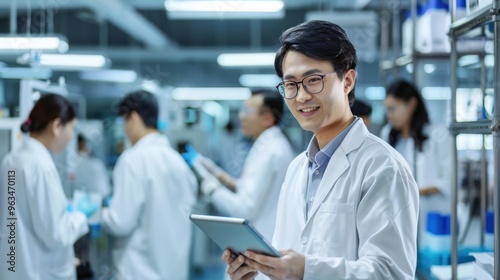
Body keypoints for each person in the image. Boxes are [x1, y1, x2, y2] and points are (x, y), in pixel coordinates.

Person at [222, 20, 419, 279]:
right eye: (290, 84)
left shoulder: (383, 167)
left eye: (313, 80)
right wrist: (255, 274)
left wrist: (308, 270)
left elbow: (392, 273)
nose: (301, 96)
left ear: (347, 81)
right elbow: (285, 262)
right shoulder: (297, 169)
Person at [101, 90, 196, 280]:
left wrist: (99, 213)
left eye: (123, 122)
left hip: (138, 273)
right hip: (174, 273)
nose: (124, 130)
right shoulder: (178, 161)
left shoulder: (132, 159)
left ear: (134, 118)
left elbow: (120, 222)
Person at [0, 94, 94, 280]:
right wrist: (80, 217)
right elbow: (56, 235)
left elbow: (13, 218)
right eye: (71, 129)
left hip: (13, 269)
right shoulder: (41, 166)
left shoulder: (11, 159)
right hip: (39, 271)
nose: (71, 137)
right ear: (57, 126)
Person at [191, 90, 295, 240]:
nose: (241, 116)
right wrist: (216, 173)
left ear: (267, 118)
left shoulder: (270, 151)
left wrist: (211, 189)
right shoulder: (270, 144)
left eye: (247, 111)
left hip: (263, 240)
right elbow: (248, 189)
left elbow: (243, 209)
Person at [381, 80, 452, 248]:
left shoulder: (438, 135)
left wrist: (414, 191)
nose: (389, 115)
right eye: (387, 109)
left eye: (393, 108)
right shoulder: (388, 134)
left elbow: (449, 179)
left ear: (411, 104)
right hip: (397, 215)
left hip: (431, 214)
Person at [73, 133, 111, 198]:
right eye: (82, 147)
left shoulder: (76, 167)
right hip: (99, 198)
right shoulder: (97, 164)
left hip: (95, 199)